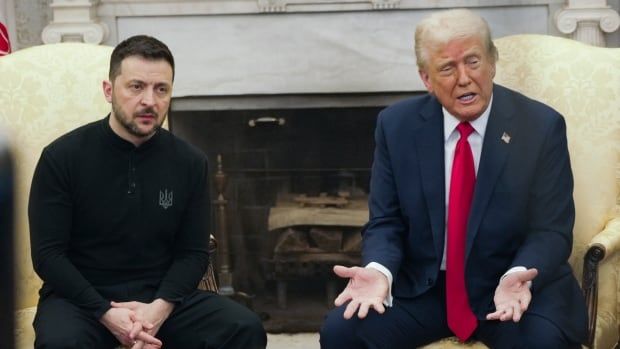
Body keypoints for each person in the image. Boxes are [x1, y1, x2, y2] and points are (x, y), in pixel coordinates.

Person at [320, 9, 588, 349]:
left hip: (510, 287)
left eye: (473, 61)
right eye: (447, 68)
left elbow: (551, 230)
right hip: (427, 288)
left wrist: (520, 273)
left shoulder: (540, 126)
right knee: (342, 332)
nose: (464, 78)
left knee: (544, 342)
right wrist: (378, 271)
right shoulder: (396, 127)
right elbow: (386, 222)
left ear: (492, 62)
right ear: (426, 79)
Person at [28, 35, 267, 349]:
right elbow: (48, 256)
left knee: (244, 328)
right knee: (61, 343)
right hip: (81, 301)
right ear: (109, 90)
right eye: (136, 86)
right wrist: (104, 313)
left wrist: (160, 308)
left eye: (161, 89)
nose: (149, 101)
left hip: (162, 296)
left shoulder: (190, 162)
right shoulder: (61, 157)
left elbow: (193, 253)